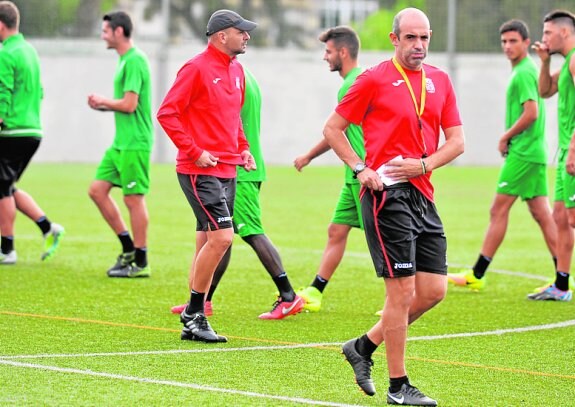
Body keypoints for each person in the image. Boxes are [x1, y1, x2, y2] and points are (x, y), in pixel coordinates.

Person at [323, 8, 464, 405]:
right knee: (400, 293)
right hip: (385, 196)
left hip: (423, 193)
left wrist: (424, 164)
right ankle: (398, 386)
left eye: (424, 38)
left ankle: (363, 347)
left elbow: (457, 141)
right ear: (394, 39)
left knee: (433, 291)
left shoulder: (440, 79)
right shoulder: (372, 79)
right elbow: (332, 129)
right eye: (411, 38)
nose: (418, 46)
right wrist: (359, 167)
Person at [169, 67, 303, 320]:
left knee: (250, 231)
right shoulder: (241, 76)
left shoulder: (231, 79)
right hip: (234, 167)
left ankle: (288, 296)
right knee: (220, 236)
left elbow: (223, 122)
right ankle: (203, 300)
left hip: (237, 170)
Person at [157, 9, 257, 343]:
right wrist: (195, 151)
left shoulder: (239, 71)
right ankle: (194, 313)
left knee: (208, 238)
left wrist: (243, 149)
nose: (246, 36)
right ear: (220, 35)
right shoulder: (196, 68)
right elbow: (167, 113)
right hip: (199, 170)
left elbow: (234, 118)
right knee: (223, 238)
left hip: (228, 169)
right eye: (240, 31)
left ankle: (193, 316)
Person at [448, 20, 558, 293]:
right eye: (504, 42)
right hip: (533, 152)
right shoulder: (527, 70)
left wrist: (505, 136)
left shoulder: (524, 72)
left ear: (526, 42)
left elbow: (531, 113)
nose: (507, 46)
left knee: (498, 209)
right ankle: (564, 275)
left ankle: (477, 273)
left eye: (513, 41)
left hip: (523, 152)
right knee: (543, 215)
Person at [294, 26, 365, 312]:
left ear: (343, 52)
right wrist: (310, 156)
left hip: (364, 174)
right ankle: (316, 290)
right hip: (354, 175)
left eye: (329, 51)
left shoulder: (353, 84)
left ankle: (401, 297)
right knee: (336, 230)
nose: (325, 57)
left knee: (383, 239)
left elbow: (336, 129)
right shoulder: (354, 82)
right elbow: (338, 131)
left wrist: (309, 155)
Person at [87, 11, 153, 278]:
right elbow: (124, 107)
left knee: (133, 199)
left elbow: (129, 104)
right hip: (120, 144)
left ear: (119, 31)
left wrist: (103, 101)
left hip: (135, 143)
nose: (103, 35)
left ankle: (140, 260)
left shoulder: (135, 60)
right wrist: (103, 107)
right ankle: (127, 248)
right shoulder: (125, 60)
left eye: (105, 31)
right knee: (97, 190)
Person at [0, 1, 65, 265]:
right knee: (7, 185)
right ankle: (48, 227)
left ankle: (7, 249)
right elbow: (39, 91)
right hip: (32, 130)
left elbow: (2, 91)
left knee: (2, 188)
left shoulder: (5, 53)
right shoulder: (29, 51)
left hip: (12, 131)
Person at [529, 9, 575, 301]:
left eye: (548, 33)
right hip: (564, 152)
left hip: (572, 149)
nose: (543, 37)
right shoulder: (567, 62)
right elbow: (545, 91)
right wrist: (544, 63)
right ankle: (561, 285)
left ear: (565, 33)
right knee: (560, 216)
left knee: (572, 216)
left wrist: (573, 148)